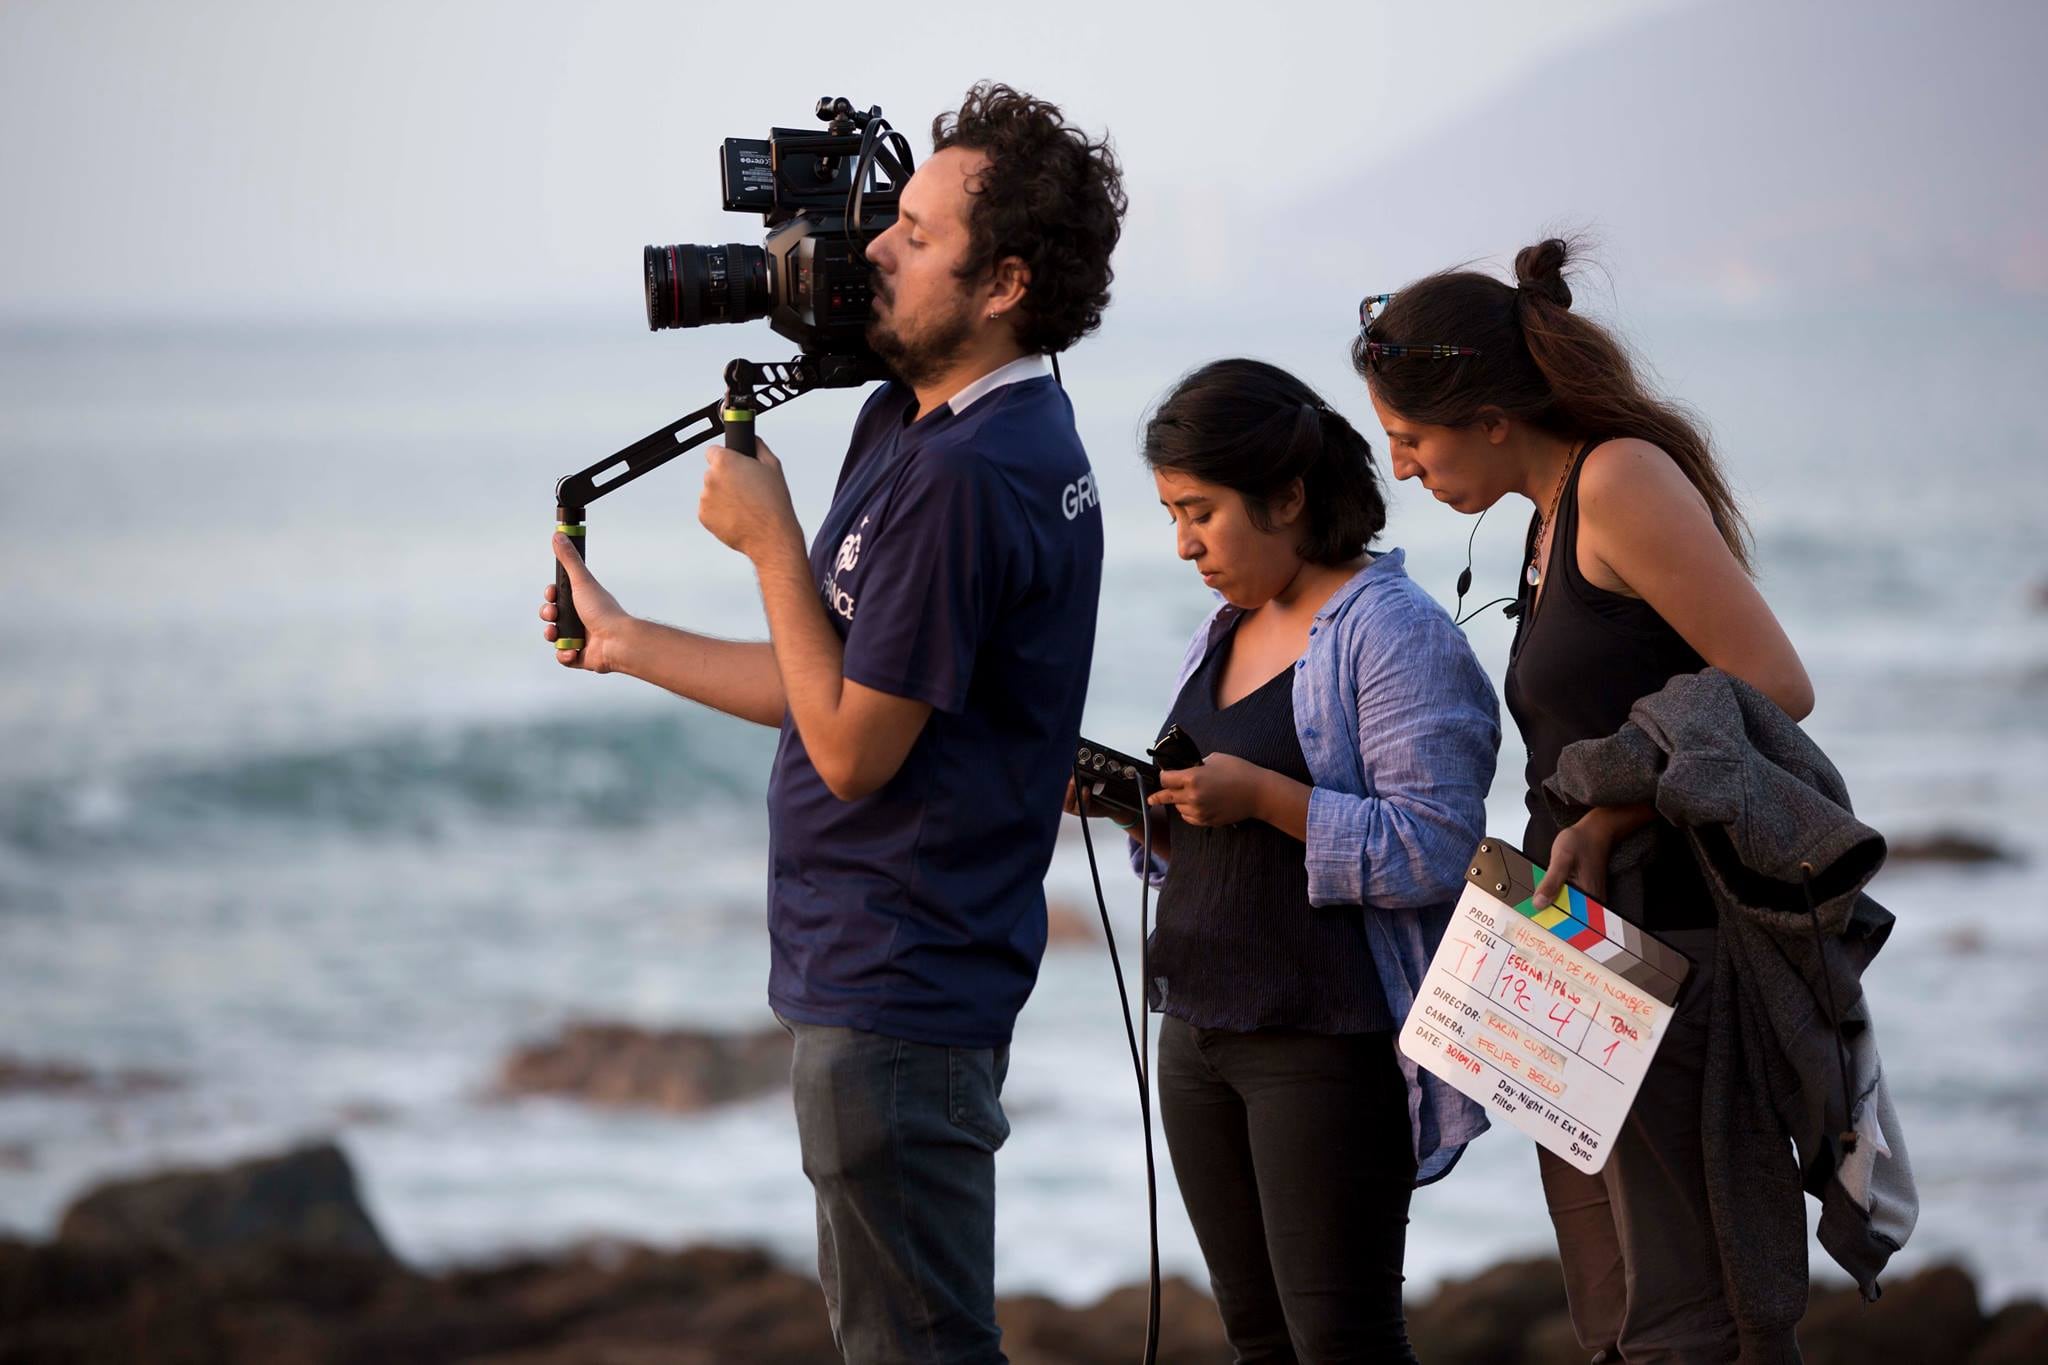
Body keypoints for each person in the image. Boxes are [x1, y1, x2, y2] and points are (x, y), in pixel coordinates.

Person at [540, 83, 1126, 1364]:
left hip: (900, 991)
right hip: (881, 977)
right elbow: (833, 690)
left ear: (1003, 283)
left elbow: (855, 754)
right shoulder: (921, 421)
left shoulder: (971, 477)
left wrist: (768, 546)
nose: (872, 247)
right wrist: (629, 641)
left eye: (915, 236)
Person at [1355, 238, 1816, 1364]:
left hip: (1669, 932)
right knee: (1612, 1295)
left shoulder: (1614, 480)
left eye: (1410, 441)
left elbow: (1773, 686)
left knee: (1687, 1300)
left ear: (1487, 414)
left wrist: (1608, 816)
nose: (1404, 471)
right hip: (1583, 938)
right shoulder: (1546, 511)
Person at [1070, 358, 1499, 1363]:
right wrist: (1139, 812)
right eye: (1171, 513)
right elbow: (1219, 845)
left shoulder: (1395, 634)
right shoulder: (1223, 628)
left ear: (1288, 496)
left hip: (1323, 1035)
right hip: (1197, 1027)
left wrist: (1263, 795)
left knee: (1340, 1341)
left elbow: (1433, 845)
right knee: (1255, 1339)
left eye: (1198, 512)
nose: (1181, 545)